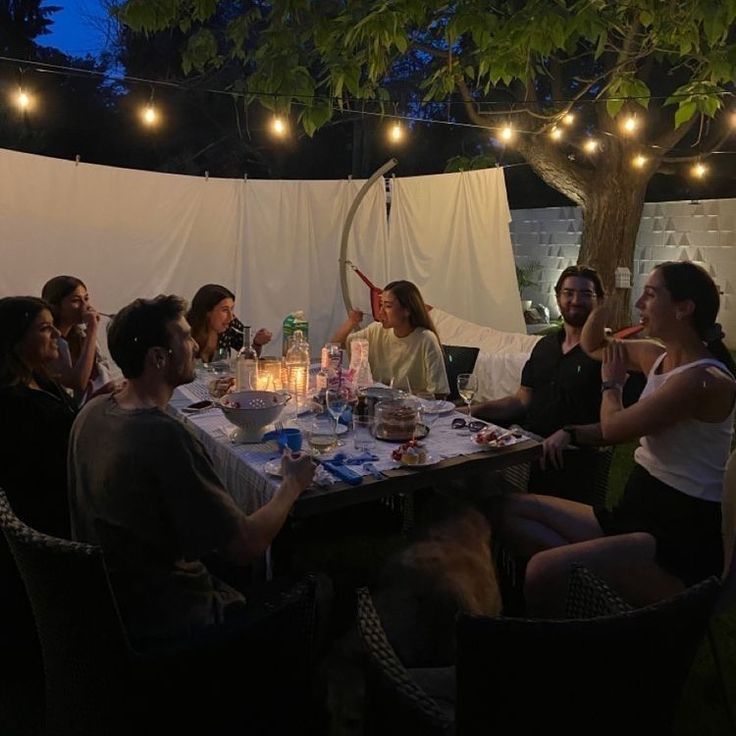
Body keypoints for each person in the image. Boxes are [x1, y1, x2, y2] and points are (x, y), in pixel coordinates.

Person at [67, 295, 315, 646]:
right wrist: (291, 485)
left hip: (108, 604)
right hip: (172, 620)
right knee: (316, 580)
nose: (195, 344)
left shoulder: (91, 411)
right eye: (184, 337)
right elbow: (246, 545)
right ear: (157, 358)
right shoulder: (163, 435)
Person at [501, 261, 736, 617]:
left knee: (539, 570)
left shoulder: (702, 381)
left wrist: (612, 385)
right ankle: (582, 588)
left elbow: (613, 429)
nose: (640, 304)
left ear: (683, 308)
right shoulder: (656, 356)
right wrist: (611, 297)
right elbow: (592, 343)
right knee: (510, 511)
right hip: (635, 510)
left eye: (651, 295)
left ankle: (562, 610)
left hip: (674, 535)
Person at [471, 265, 606, 500]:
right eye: (568, 292)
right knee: (462, 475)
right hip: (525, 446)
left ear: (600, 300)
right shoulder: (545, 346)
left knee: (487, 494)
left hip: (570, 457)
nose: (575, 300)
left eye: (586, 294)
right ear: (557, 297)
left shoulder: (607, 353)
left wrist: (570, 434)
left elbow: (617, 425)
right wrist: (472, 410)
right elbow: (521, 400)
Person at [0, 296, 77, 537]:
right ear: (15, 340)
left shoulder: (40, 379)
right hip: (57, 518)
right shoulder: (13, 404)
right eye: (45, 328)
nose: (57, 333)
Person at [330, 280, 449, 396]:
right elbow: (335, 345)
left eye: (388, 306)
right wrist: (352, 321)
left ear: (407, 310)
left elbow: (439, 393)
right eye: (380, 305)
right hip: (379, 404)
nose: (381, 312)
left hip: (412, 409)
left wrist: (401, 395)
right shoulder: (376, 330)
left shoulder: (426, 339)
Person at [41, 275, 115, 405]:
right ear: (56, 305)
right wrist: (92, 329)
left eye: (86, 299)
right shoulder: (49, 342)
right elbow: (78, 383)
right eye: (76, 301)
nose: (85, 306)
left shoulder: (82, 336)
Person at [187, 284, 272, 363]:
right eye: (224, 310)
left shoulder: (230, 325)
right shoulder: (185, 330)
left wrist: (257, 343)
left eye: (231, 309)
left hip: (220, 379)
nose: (231, 317)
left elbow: (248, 357)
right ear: (207, 311)